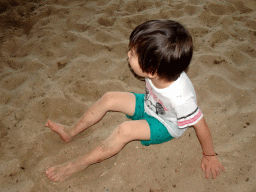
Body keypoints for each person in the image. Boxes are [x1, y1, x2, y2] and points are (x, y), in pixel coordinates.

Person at [45, 20, 225, 182]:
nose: (128, 54)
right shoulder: (162, 69)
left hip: (165, 124)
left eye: (133, 53)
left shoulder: (181, 98)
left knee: (124, 130)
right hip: (150, 104)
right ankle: (70, 132)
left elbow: (201, 125)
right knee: (109, 98)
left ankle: (80, 163)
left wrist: (209, 155)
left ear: (152, 70)